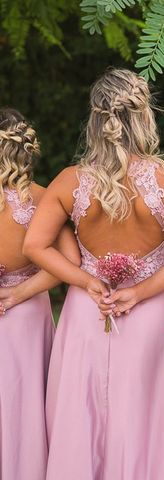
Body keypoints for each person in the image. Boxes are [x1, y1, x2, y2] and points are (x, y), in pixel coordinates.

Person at [23, 69, 164, 480]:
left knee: (82, 412)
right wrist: (138, 293)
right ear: (145, 117)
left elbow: (35, 246)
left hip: (88, 311)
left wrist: (85, 279)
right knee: (149, 411)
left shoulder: (70, 182)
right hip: (151, 313)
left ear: (94, 120)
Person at [0, 108, 79, 480]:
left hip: (20, 312)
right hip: (26, 313)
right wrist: (19, 294)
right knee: (24, 403)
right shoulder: (44, 199)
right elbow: (70, 262)